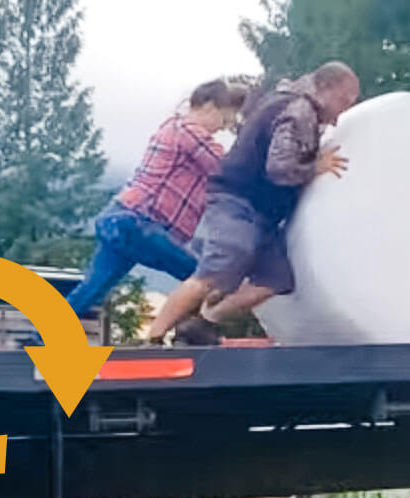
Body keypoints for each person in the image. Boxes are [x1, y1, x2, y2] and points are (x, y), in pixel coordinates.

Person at [146, 61, 360, 345]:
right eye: (344, 99)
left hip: (263, 212)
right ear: (325, 87)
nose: (345, 108)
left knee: (275, 279)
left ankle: (204, 321)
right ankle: (154, 337)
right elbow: (280, 169)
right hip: (239, 200)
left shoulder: (298, 107)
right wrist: (315, 167)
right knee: (220, 266)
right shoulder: (298, 111)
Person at [56, 80, 248, 335]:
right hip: (138, 222)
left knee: (92, 289)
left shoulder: (172, 126)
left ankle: (39, 338)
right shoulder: (190, 131)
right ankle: (179, 335)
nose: (224, 126)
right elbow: (227, 170)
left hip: (121, 217)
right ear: (210, 106)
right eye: (225, 117)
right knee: (202, 277)